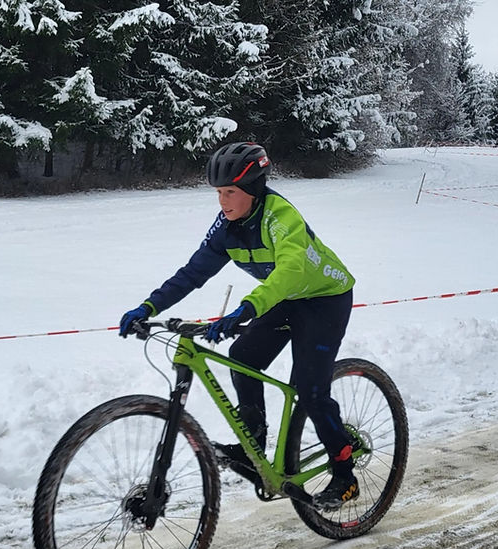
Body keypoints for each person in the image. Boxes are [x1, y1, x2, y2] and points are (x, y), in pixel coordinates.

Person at [118, 141, 359, 510]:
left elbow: (289, 271)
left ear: (252, 188)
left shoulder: (281, 218)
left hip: (324, 299)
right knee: (243, 358)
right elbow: (193, 273)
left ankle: (345, 473)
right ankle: (253, 449)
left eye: (230, 192)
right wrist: (149, 306)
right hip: (283, 298)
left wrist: (247, 308)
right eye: (218, 192)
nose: (222, 201)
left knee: (310, 390)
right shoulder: (227, 226)